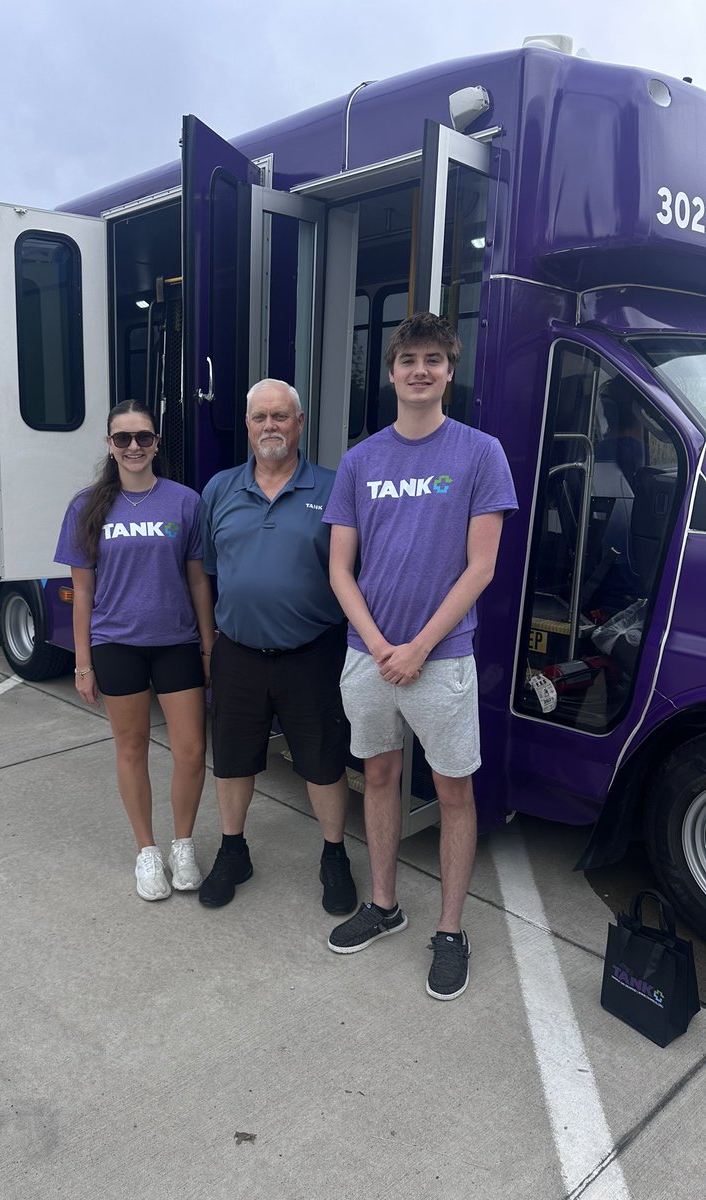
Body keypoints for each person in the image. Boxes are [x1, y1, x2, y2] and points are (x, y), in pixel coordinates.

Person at [323, 313, 517, 1000]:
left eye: (433, 359)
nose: (420, 371)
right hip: (369, 657)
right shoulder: (360, 459)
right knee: (377, 779)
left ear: (450, 370)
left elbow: (481, 568)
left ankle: (450, 929)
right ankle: (383, 905)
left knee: (452, 792)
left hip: (441, 660)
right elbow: (340, 568)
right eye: (408, 359)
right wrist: (381, 646)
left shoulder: (479, 454)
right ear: (391, 372)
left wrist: (419, 647)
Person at [198, 379, 356, 914]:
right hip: (238, 652)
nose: (271, 426)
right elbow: (212, 571)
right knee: (233, 761)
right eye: (261, 417)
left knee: (323, 762)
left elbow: (353, 571)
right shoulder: (219, 490)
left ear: (300, 423)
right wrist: (208, 643)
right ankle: (232, 849)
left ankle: (333, 855)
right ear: (247, 426)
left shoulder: (335, 489)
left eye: (281, 417)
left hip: (312, 654)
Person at [54, 399, 215, 902]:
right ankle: (146, 851)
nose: (133, 447)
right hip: (116, 644)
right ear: (109, 445)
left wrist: (209, 646)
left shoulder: (185, 502)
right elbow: (82, 591)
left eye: (143, 437)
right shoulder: (86, 506)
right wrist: (83, 662)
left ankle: (182, 844)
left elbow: (198, 580)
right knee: (132, 748)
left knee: (191, 751)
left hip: (178, 644)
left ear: (156, 443)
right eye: (122, 438)